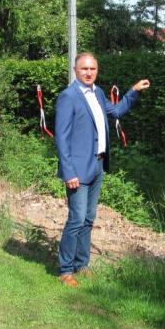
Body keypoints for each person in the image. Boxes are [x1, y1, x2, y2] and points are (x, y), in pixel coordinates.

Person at [54, 52, 150, 287]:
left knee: (88, 219)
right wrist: (69, 172)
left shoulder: (97, 92)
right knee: (76, 219)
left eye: (93, 69)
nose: (89, 73)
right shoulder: (68, 97)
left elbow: (115, 112)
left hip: (97, 165)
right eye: (84, 69)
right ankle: (65, 270)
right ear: (76, 70)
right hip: (77, 169)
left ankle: (82, 264)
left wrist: (133, 91)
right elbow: (61, 138)